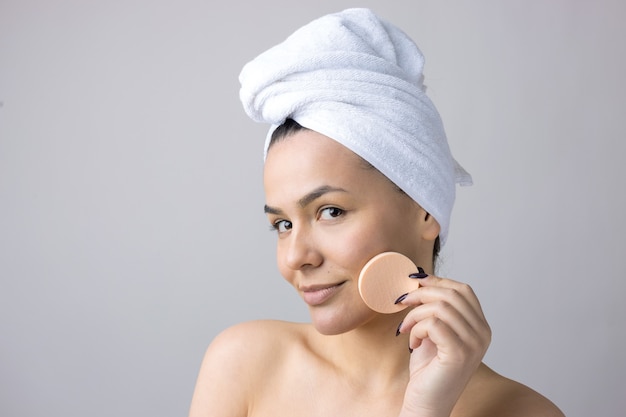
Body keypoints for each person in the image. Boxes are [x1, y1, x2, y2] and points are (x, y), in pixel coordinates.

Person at [189, 8, 564, 417]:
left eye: (330, 211)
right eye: (282, 224)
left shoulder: (522, 411)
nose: (295, 257)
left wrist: (426, 408)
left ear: (424, 209)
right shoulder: (244, 364)